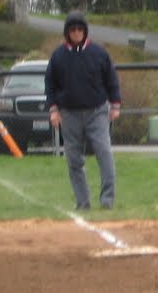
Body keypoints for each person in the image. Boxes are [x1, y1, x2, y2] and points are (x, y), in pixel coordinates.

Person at [45, 11, 122, 211]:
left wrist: (115, 105)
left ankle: (107, 199)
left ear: (85, 31)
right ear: (67, 32)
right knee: (73, 159)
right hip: (69, 114)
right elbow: (50, 84)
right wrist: (53, 110)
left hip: (96, 111)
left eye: (80, 29)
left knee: (104, 153)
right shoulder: (58, 56)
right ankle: (83, 202)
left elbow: (111, 79)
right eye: (73, 29)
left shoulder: (99, 53)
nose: (77, 32)